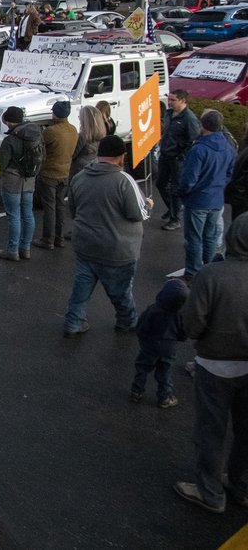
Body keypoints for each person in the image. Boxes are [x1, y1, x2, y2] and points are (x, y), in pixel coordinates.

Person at [173, 214, 248, 513]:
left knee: (211, 429)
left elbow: (192, 325)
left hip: (215, 364)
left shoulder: (211, 275)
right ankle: (241, 486)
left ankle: (210, 492)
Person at [63, 136, 152, 338]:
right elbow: (137, 214)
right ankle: (127, 321)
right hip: (117, 249)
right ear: (121, 157)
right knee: (120, 292)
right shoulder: (124, 181)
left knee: (81, 289)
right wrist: (147, 205)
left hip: (85, 244)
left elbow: (73, 210)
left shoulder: (79, 178)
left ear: (99, 154)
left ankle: (73, 322)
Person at [178, 110, 236, 277]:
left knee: (194, 239)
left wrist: (182, 193)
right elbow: (229, 174)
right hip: (216, 199)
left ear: (203, 125)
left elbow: (189, 179)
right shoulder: (228, 147)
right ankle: (209, 270)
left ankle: (193, 272)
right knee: (210, 237)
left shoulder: (199, 149)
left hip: (197, 201)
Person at [129, 279, 188, 408]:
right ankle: (164, 397)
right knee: (165, 371)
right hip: (169, 347)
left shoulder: (153, 310)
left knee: (142, 368)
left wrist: (142, 339)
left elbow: (142, 327)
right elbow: (183, 333)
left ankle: (136, 391)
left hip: (150, 345)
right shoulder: (180, 315)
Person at [0, 106, 43, 261]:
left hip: (12, 181)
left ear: (9, 121)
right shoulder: (36, 135)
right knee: (28, 214)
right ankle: (26, 248)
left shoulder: (10, 140)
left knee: (14, 216)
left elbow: (1, 164)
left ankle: (13, 250)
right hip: (29, 180)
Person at [35, 101, 78, 250]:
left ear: (55, 113)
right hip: (64, 173)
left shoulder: (51, 131)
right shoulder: (73, 130)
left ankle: (48, 239)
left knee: (49, 208)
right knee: (60, 207)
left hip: (49, 174)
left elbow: (38, 146)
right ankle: (59, 238)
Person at [159, 90, 201, 231]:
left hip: (177, 159)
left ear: (183, 101)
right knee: (160, 184)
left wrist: (181, 155)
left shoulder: (189, 119)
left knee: (175, 189)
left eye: (173, 100)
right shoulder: (169, 113)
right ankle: (173, 208)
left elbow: (193, 141)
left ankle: (175, 219)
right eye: (169, 99)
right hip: (165, 155)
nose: (169, 102)